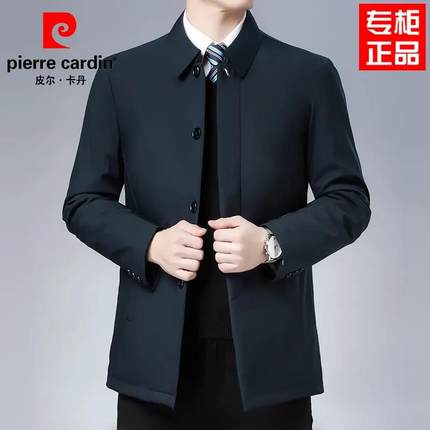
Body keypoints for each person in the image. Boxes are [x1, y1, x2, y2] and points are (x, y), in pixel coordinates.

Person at [62, 1, 371, 429]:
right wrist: (151, 244)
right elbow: (83, 201)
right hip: (153, 370)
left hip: (272, 369)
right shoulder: (123, 75)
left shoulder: (309, 75)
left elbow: (349, 200)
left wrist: (270, 244)